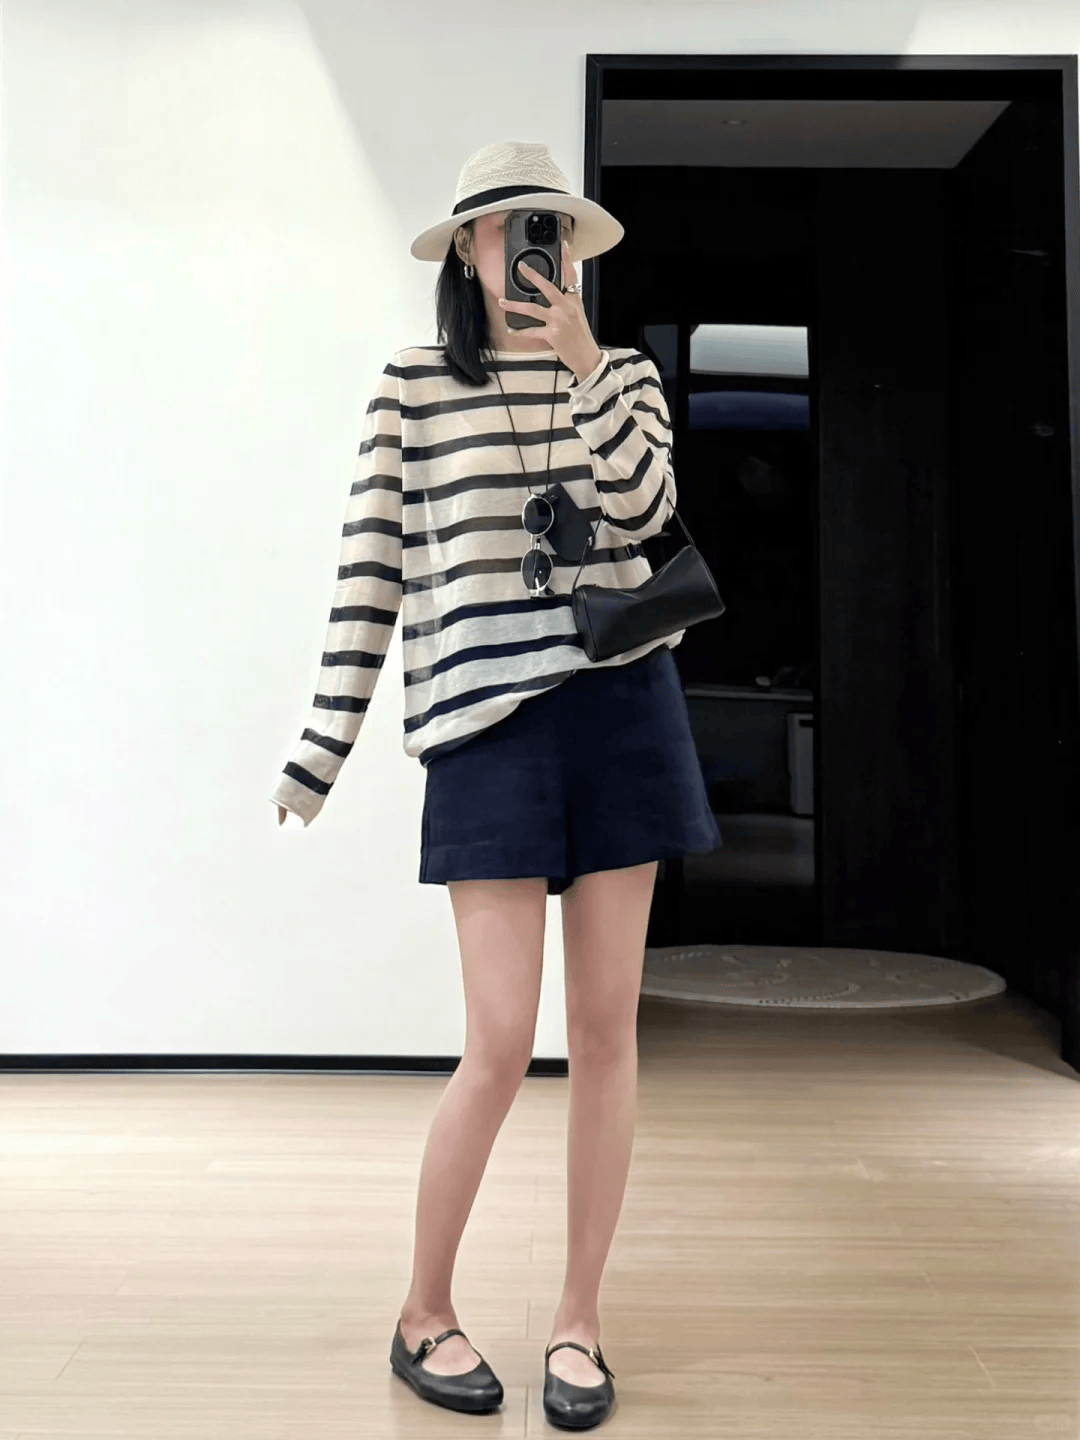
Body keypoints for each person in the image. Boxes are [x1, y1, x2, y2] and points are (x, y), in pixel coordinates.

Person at [269, 141, 720, 1429]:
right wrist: (321, 749)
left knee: (611, 1034)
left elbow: (648, 517)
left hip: (624, 710)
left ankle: (579, 1321)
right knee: (502, 1040)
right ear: (466, 249)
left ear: (569, 248)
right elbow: (371, 576)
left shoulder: (622, 375)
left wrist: (584, 366)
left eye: (550, 227)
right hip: (483, 729)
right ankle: (424, 1310)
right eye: (509, 227)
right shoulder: (411, 388)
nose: (532, 247)